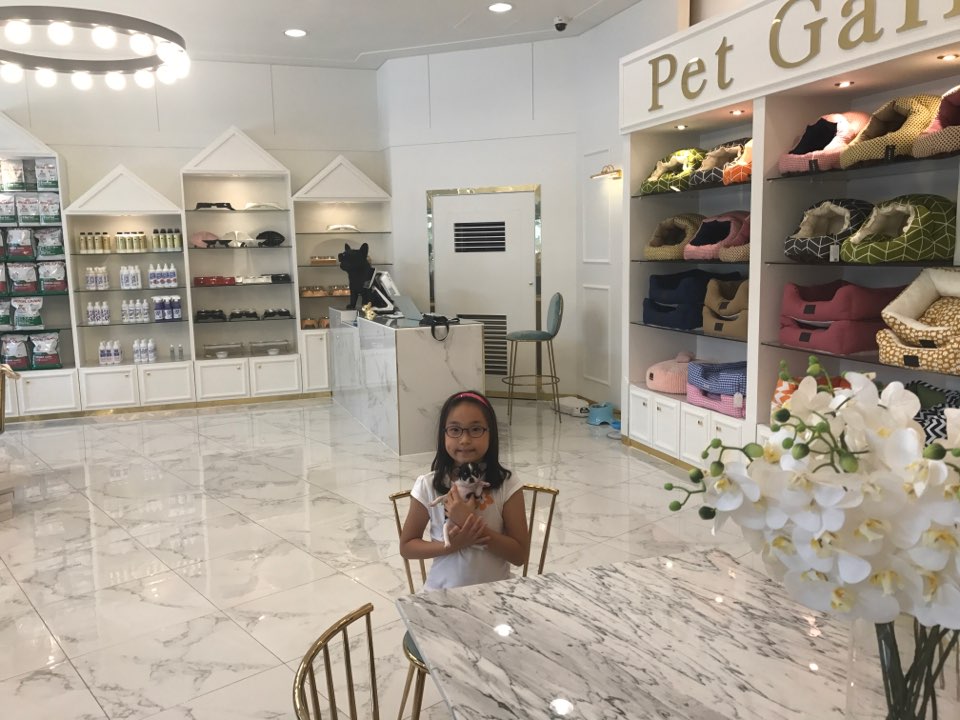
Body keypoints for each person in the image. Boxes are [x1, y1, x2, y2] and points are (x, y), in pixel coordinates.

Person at [399, 390, 528, 591]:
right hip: (441, 593)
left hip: (495, 595)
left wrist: (469, 522)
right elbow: (407, 547)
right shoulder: (428, 485)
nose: (465, 439)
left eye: (476, 429)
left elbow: (519, 556)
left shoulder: (507, 484)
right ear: (443, 434)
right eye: (455, 430)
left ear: (491, 433)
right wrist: (452, 545)